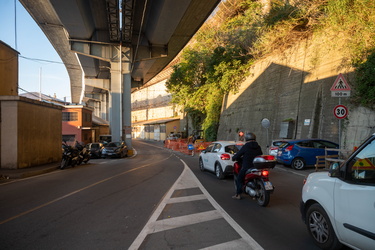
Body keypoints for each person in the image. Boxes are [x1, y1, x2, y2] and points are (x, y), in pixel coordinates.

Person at [232, 132, 263, 200]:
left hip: (247, 166)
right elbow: (260, 154)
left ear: (247, 138)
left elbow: (239, 154)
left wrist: (234, 158)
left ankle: (238, 195)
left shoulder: (246, 146)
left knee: (239, 178)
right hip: (257, 166)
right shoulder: (258, 146)